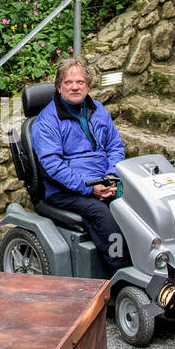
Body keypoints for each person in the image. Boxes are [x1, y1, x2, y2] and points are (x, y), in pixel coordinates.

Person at [32, 56, 130, 270]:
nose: (74, 87)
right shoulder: (47, 121)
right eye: (68, 82)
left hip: (105, 180)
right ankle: (121, 271)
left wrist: (111, 176)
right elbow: (53, 166)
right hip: (65, 190)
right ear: (59, 87)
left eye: (80, 82)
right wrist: (90, 188)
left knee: (140, 204)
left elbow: (115, 146)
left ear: (88, 86)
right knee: (106, 218)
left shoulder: (98, 110)